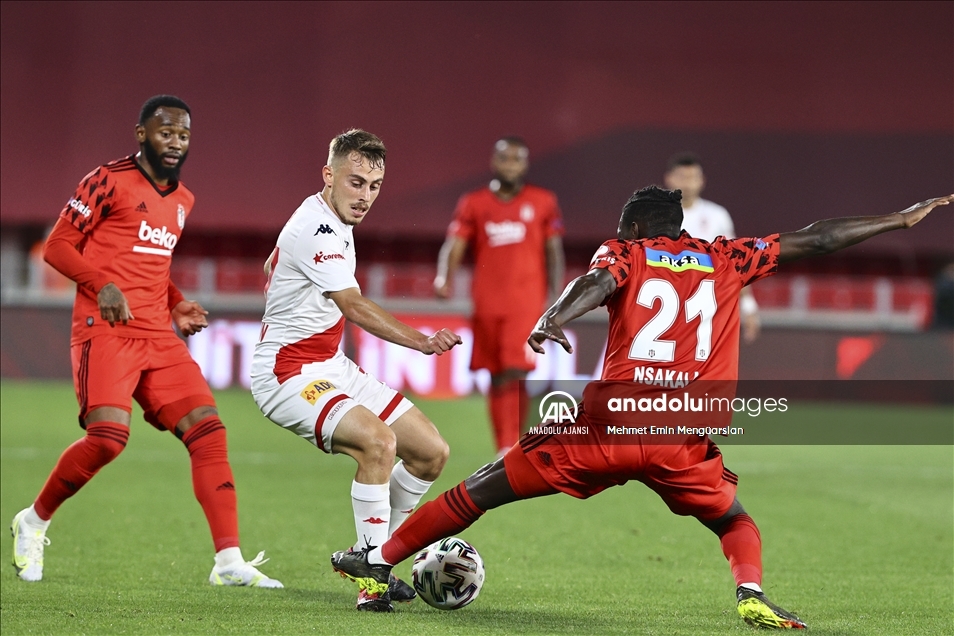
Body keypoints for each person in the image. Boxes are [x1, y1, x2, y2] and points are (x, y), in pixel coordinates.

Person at [332, 186, 954, 628]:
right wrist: (899, 221)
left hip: (607, 430)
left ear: (636, 226)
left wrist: (552, 317)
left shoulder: (627, 252)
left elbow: (595, 283)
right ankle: (751, 592)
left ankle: (377, 560)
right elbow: (817, 239)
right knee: (734, 521)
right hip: (682, 441)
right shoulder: (727, 257)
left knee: (483, 489)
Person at [11, 95, 282, 588]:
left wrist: (176, 302)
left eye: (183, 135)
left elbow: (154, 267)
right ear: (141, 134)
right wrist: (103, 286)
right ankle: (33, 521)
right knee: (109, 440)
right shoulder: (106, 179)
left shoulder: (183, 200)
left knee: (209, 430)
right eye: (165, 132)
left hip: (157, 332)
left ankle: (228, 562)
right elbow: (56, 246)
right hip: (105, 329)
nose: (175, 142)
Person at [251, 129, 462, 612]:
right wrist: (422, 341)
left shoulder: (323, 214)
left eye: (374, 185)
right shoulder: (317, 227)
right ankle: (373, 578)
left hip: (330, 364)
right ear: (329, 175)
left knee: (431, 452)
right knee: (378, 442)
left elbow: (274, 261)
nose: (365, 196)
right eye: (355, 182)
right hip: (288, 374)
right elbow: (353, 306)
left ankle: (372, 555)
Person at [434, 137, 565, 456]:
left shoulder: (543, 201)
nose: (511, 165)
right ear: (494, 162)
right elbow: (455, 243)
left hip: (526, 303)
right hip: (488, 303)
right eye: (505, 159)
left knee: (516, 370)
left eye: (517, 160)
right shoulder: (474, 202)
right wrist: (444, 277)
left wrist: (559, 294)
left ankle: (511, 445)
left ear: (525, 164)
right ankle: (503, 445)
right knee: (496, 374)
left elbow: (553, 249)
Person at [664, 152, 761, 343]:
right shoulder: (652, 216)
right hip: (663, 299)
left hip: (704, 303)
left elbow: (735, 262)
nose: (687, 183)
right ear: (669, 178)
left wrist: (748, 305)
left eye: (692, 178)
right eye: (682, 177)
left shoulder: (717, 216)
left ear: (702, 181)